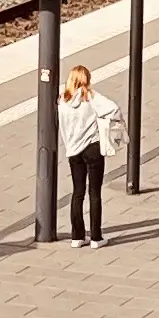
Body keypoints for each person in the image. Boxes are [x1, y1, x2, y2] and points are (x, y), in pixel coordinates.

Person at [59, 62, 119, 246]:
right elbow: (113, 108)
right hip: (92, 148)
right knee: (95, 192)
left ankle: (77, 237)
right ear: (87, 79)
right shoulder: (91, 96)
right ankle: (96, 237)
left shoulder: (62, 100)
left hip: (73, 150)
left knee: (78, 192)